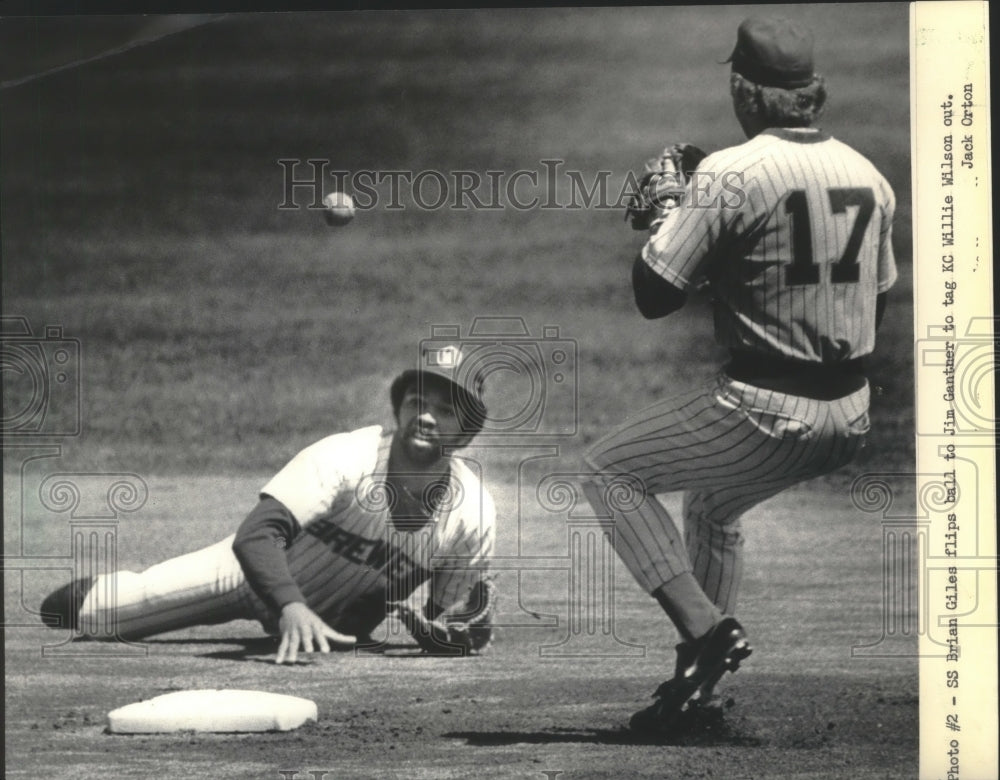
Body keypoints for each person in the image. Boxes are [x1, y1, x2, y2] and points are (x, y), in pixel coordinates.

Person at [584, 16, 897, 735]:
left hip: (765, 409)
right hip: (849, 415)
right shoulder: (870, 177)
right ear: (814, 92)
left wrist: (672, 214)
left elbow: (654, 296)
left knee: (608, 471)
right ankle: (695, 700)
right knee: (712, 512)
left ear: (743, 91)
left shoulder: (729, 172)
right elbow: (867, 292)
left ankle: (705, 631)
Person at [41, 344, 498, 663]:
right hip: (243, 576)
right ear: (398, 409)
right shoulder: (347, 456)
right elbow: (257, 533)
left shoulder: (472, 513)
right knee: (85, 614)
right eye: (417, 401)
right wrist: (290, 606)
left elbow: (453, 620)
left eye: (444, 409)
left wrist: (448, 632)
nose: (425, 416)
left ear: (467, 430)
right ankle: (100, 588)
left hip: (332, 629)